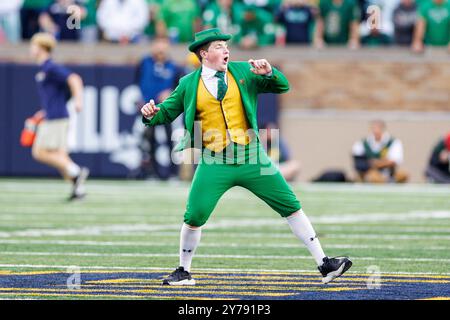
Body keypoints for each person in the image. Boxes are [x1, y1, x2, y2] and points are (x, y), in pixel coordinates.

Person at [141, 28, 352, 286]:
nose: (226, 50)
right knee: (194, 215)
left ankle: (324, 264)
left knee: (290, 205)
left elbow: (282, 86)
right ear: (204, 53)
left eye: (226, 45)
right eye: (219, 46)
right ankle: (184, 271)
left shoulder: (242, 71)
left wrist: (269, 73)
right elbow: (166, 112)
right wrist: (151, 113)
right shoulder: (188, 83)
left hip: (252, 155)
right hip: (215, 159)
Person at [29, 33, 89, 200]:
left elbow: (74, 79)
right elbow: (56, 94)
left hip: (56, 117)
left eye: (33, 46)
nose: (31, 49)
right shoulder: (43, 69)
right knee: (60, 156)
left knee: (39, 152)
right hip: (53, 114)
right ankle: (79, 190)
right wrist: (44, 111)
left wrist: (79, 100)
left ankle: (76, 171)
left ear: (41, 48)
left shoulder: (50, 67)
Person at [136, 37, 181, 179]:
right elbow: (136, 82)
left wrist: (170, 93)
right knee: (149, 140)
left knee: (170, 139)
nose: (160, 50)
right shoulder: (144, 63)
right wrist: (140, 100)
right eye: (158, 46)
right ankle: (152, 173)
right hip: (149, 108)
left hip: (165, 109)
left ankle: (173, 173)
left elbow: (179, 87)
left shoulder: (173, 66)